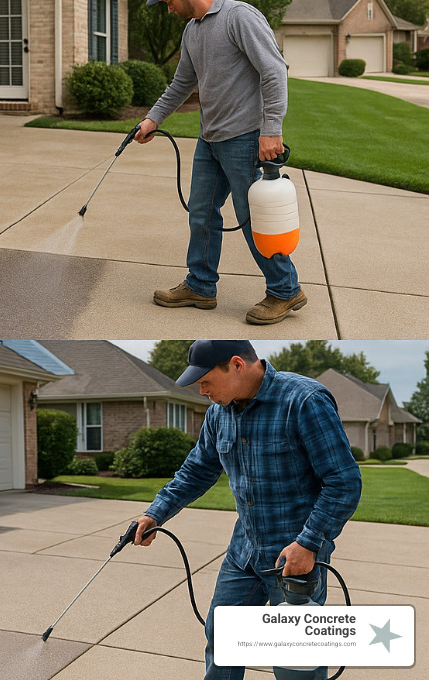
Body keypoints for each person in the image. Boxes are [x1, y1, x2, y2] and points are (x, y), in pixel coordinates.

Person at [132, 340, 361, 680]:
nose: (202, 390)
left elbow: (344, 482)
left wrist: (310, 543)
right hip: (244, 554)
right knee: (222, 638)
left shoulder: (304, 401)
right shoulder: (218, 413)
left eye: (206, 381)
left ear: (237, 365)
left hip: (294, 559)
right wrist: (155, 513)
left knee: (295, 666)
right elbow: (197, 471)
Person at [136, 0, 305, 325]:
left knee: (253, 216)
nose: (168, 9)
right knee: (201, 211)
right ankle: (200, 285)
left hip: (245, 137)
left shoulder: (238, 17)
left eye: (168, 1)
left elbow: (273, 69)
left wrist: (271, 130)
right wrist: (152, 119)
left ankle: (285, 289)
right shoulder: (192, 31)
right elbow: (182, 83)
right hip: (210, 139)